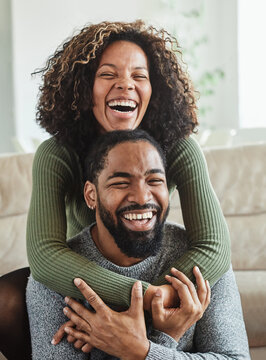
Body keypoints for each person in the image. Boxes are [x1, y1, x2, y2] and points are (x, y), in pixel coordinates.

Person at [0, 20, 230, 359]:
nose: (126, 84)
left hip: (148, 269)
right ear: (84, 88)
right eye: (108, 75)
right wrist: (144, 298)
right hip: (84, 273)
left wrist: (154, 299)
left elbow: (214, 246)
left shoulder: (180, 148)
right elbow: (46, 257)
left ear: (155, 90)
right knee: (5, 301)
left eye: (139, 76)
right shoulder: (57, 154)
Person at [26, 129, 250, 359]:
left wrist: (141, 349)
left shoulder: (199, 260)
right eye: (121, 183)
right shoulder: (56, 281)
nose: (143, 198)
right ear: (91, 194)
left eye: (155, 180)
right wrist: (162, 338)